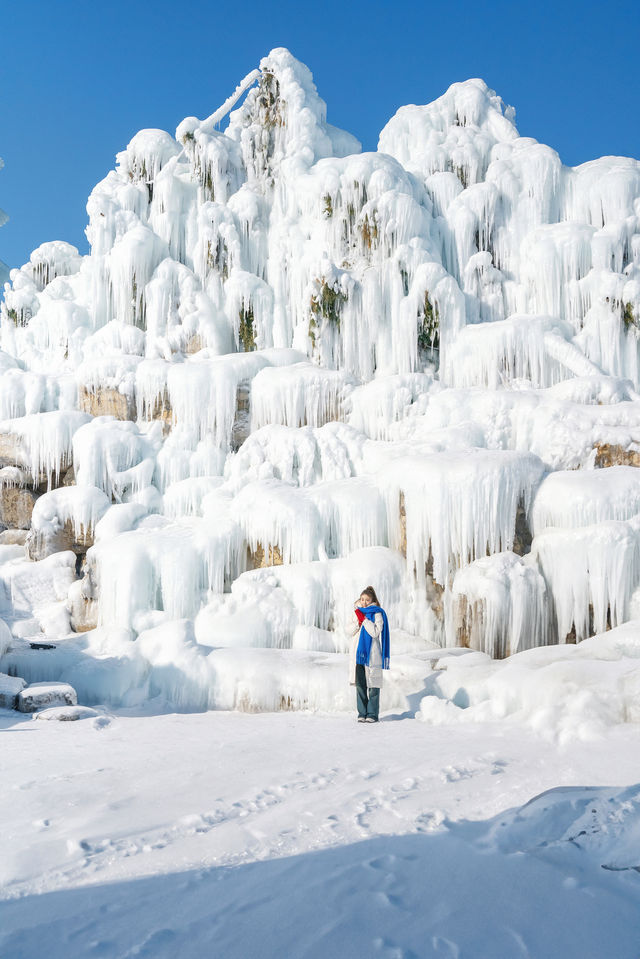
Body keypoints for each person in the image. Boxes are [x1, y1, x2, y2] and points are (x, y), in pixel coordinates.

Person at [348, 586, 390, 723]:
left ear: (373, 600)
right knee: (360, 685)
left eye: (367, 600)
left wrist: (364, 620)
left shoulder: (377, 613)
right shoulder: (357, 613)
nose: (364, 602)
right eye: (362, 599)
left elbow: (375, 632)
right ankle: (362, 713)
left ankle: (372, 714)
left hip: (372, 655)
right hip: (358, 655)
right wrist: (358, 623)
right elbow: (348, 630)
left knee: (373, 685)